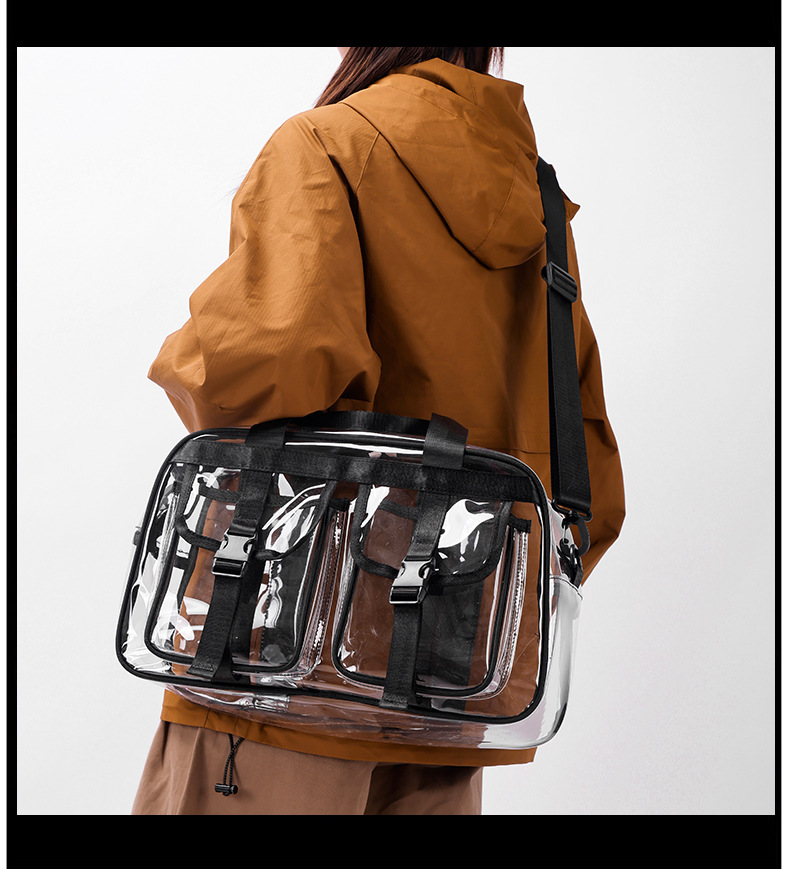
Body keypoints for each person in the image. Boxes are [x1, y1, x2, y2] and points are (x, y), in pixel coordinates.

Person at [131, 46, 625, 815]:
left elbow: (260, 366)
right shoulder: (538, 205)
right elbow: (584, 470)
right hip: (449, 689)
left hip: (280, 672)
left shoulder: (327, 145)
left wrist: (185, 357)